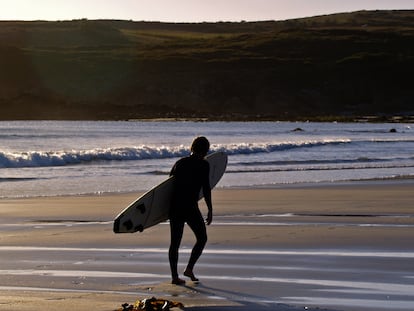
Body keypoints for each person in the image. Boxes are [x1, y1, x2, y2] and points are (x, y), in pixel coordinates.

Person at [168, 136, 213, 285]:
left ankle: (175, 276)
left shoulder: (180, 163)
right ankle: (189, 268)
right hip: (190, 207)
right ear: (205, 150)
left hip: (175, 206)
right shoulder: (203, 165)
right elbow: (206, 189)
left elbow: (168, 186)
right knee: (202, 238)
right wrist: (210, 209)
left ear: (192, 147)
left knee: (175, 243)